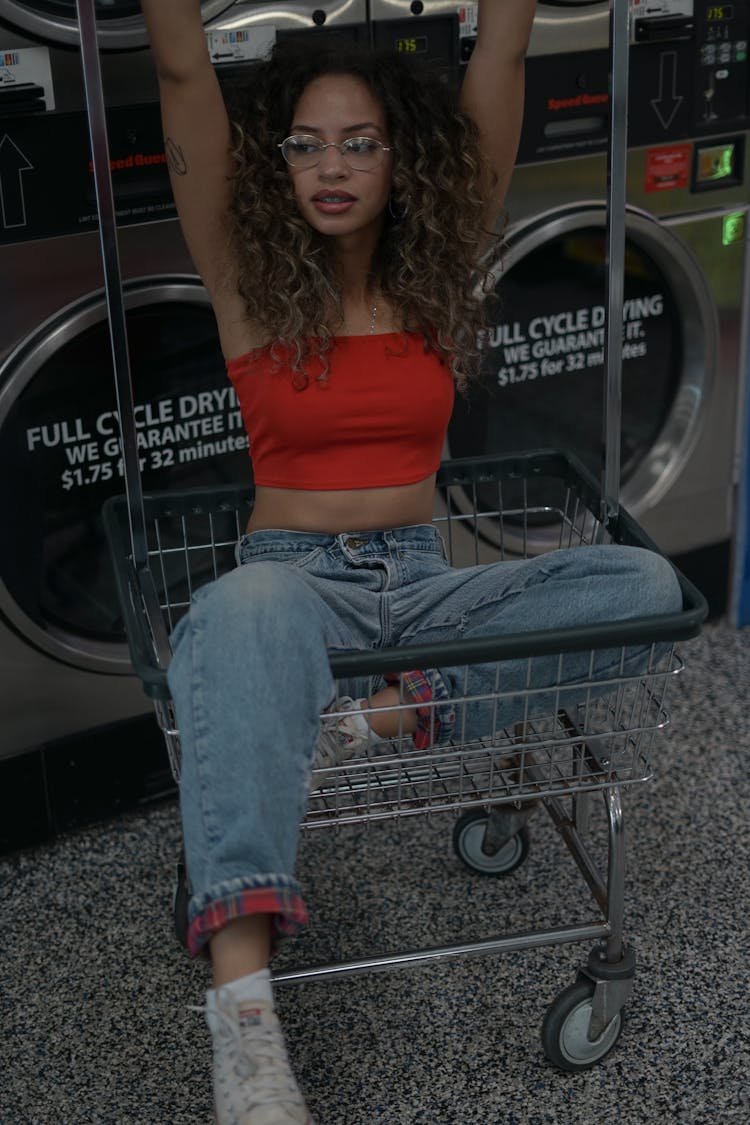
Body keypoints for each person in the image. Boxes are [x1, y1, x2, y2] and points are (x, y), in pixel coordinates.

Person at [141, 3, 682, 1122]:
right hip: (293, 582)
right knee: (239, 607)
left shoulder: (435, 277)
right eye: (304, 143)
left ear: (404, 159)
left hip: (424, 580)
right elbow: (182, 70)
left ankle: (369, 723)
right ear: (275, 163)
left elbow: (505, 49)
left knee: (642, 585)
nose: (330, 166)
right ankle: (246, 1035)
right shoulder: (244, 278)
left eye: (359, 141)